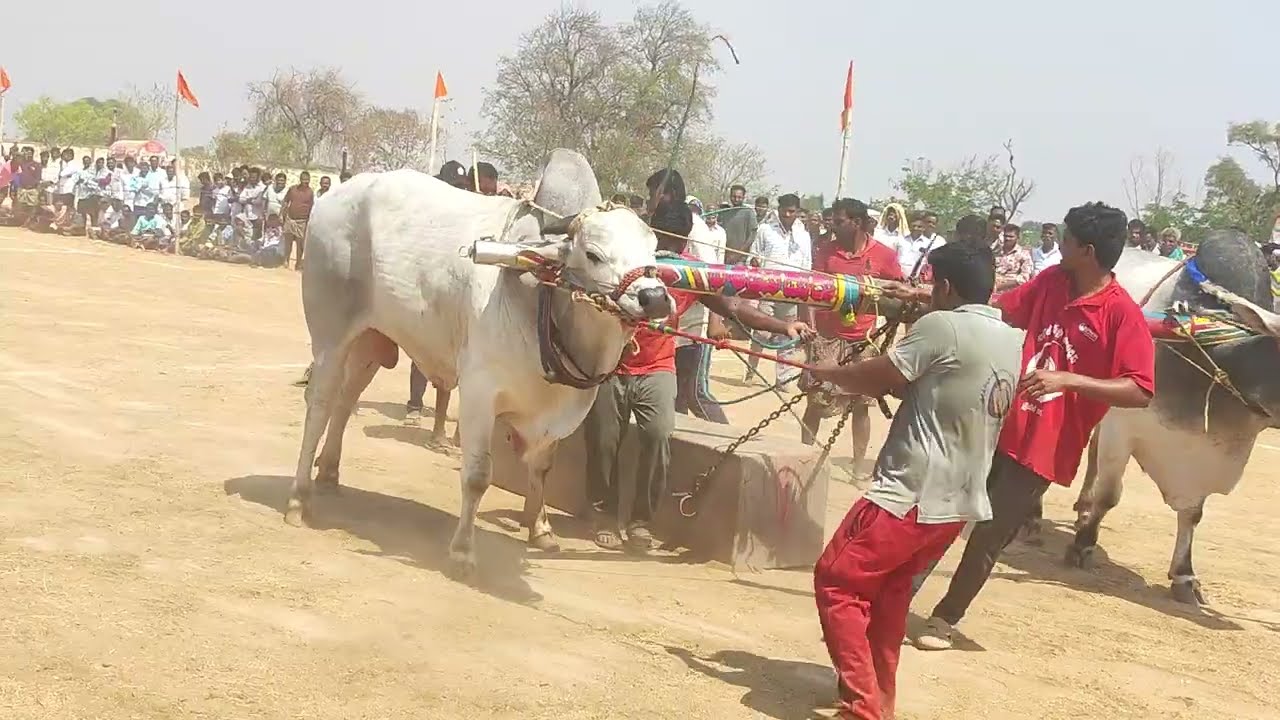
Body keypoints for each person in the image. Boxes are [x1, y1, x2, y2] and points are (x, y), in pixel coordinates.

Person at [893, 201, 1155, 651]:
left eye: (1066, 239)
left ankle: (945, 618)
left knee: (990, 533)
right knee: (945, 512)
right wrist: (935, 300)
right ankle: (901, 597)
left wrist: (1067, 379)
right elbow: (1001, 310)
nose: (1058, 246)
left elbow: (1140, 389)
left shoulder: (1120, 313)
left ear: (1086, 250)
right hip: (994, 418)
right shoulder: (1052, 281)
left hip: (1046, 445)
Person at [811, 241, 1021, 720]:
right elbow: (929, 379)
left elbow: (879, 376)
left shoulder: (940, 326)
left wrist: (825, 374)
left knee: (837, 583)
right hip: (957, 502)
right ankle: (879, 700)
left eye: (931, 287)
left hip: (908, 495)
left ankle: (862, 709)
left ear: (944, 286)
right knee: (888, 598)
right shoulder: (1009, 337)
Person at [584, 168, 815, 553]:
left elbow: (736, 306)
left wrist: (782, 325)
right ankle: (604, 513)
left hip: (658, 366)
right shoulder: (627, 261)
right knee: (604, 438)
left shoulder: (693, 271)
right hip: (612, 363)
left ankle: (641, 520)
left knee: (658, 434)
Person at [800, 198, 904, 478]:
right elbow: (809, 290)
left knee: (862, 405)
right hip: (827, 337)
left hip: (864, 339)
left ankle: (859, 467)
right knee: (816, 400)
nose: (831, 225)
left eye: (838, 221)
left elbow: (899, 293)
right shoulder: (826, 251)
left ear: (856, 223)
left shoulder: (885, 256)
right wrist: (809, 329)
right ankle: (803, 459)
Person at [744, 193, 812, 386]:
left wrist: (804, 292)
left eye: (792, 212)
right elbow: (753, 257)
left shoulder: (804, 236)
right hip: (768, 288)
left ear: (798, 212)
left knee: (788, 335)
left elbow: (807, 266)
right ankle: (750, 371)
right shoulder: (765, 229)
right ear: (778, 210)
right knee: (761, 332)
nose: (788, 215)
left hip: (792, 291)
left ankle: (783, 380)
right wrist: (755, 263)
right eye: (784, 211)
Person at [673, 196, 729, 424]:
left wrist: (715, 321)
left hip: (696, 325)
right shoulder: (662, 222)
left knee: (695, 393)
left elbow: (713, 275)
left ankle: (727, 444)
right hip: (674, 325)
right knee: (676, 396)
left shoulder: (693, 226)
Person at [891, 211, 945, 281]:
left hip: (917, 280)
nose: (915, 228)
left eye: (919, 227)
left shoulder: (929, 243)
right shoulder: (900, 240)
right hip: (897, 277)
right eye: (913, 226)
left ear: (923, 228)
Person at [280, 171, 315, 270]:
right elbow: (286, 201)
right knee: (288, 241)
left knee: (300, 243)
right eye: (304, 180)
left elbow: (311, 207)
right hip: (290, 218)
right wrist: (281, 214)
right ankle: (286, 260)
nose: (305, 183)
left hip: (302, 221)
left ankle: (298, 263)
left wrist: (309, 221)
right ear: (300, 180)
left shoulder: (310, 192)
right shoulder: (293, 189)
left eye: (307, 181)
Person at [721, 184, 759, 265]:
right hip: (724, 257)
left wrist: (737, 254)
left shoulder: (748, 212)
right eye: (734, 196)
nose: (736, 199)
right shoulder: (726, 212)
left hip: (740, 259)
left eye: (739, 197)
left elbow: (751, 237)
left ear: (743, 197)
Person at [992, 223, 1032, 290]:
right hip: (991, 290)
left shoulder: (1024, 254)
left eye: (1011, 237)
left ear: (1018, 237)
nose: (1007, 239)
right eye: (1005, 236)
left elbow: (1024, 277)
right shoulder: (995, 251)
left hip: (1011, 292)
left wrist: (999, 286)